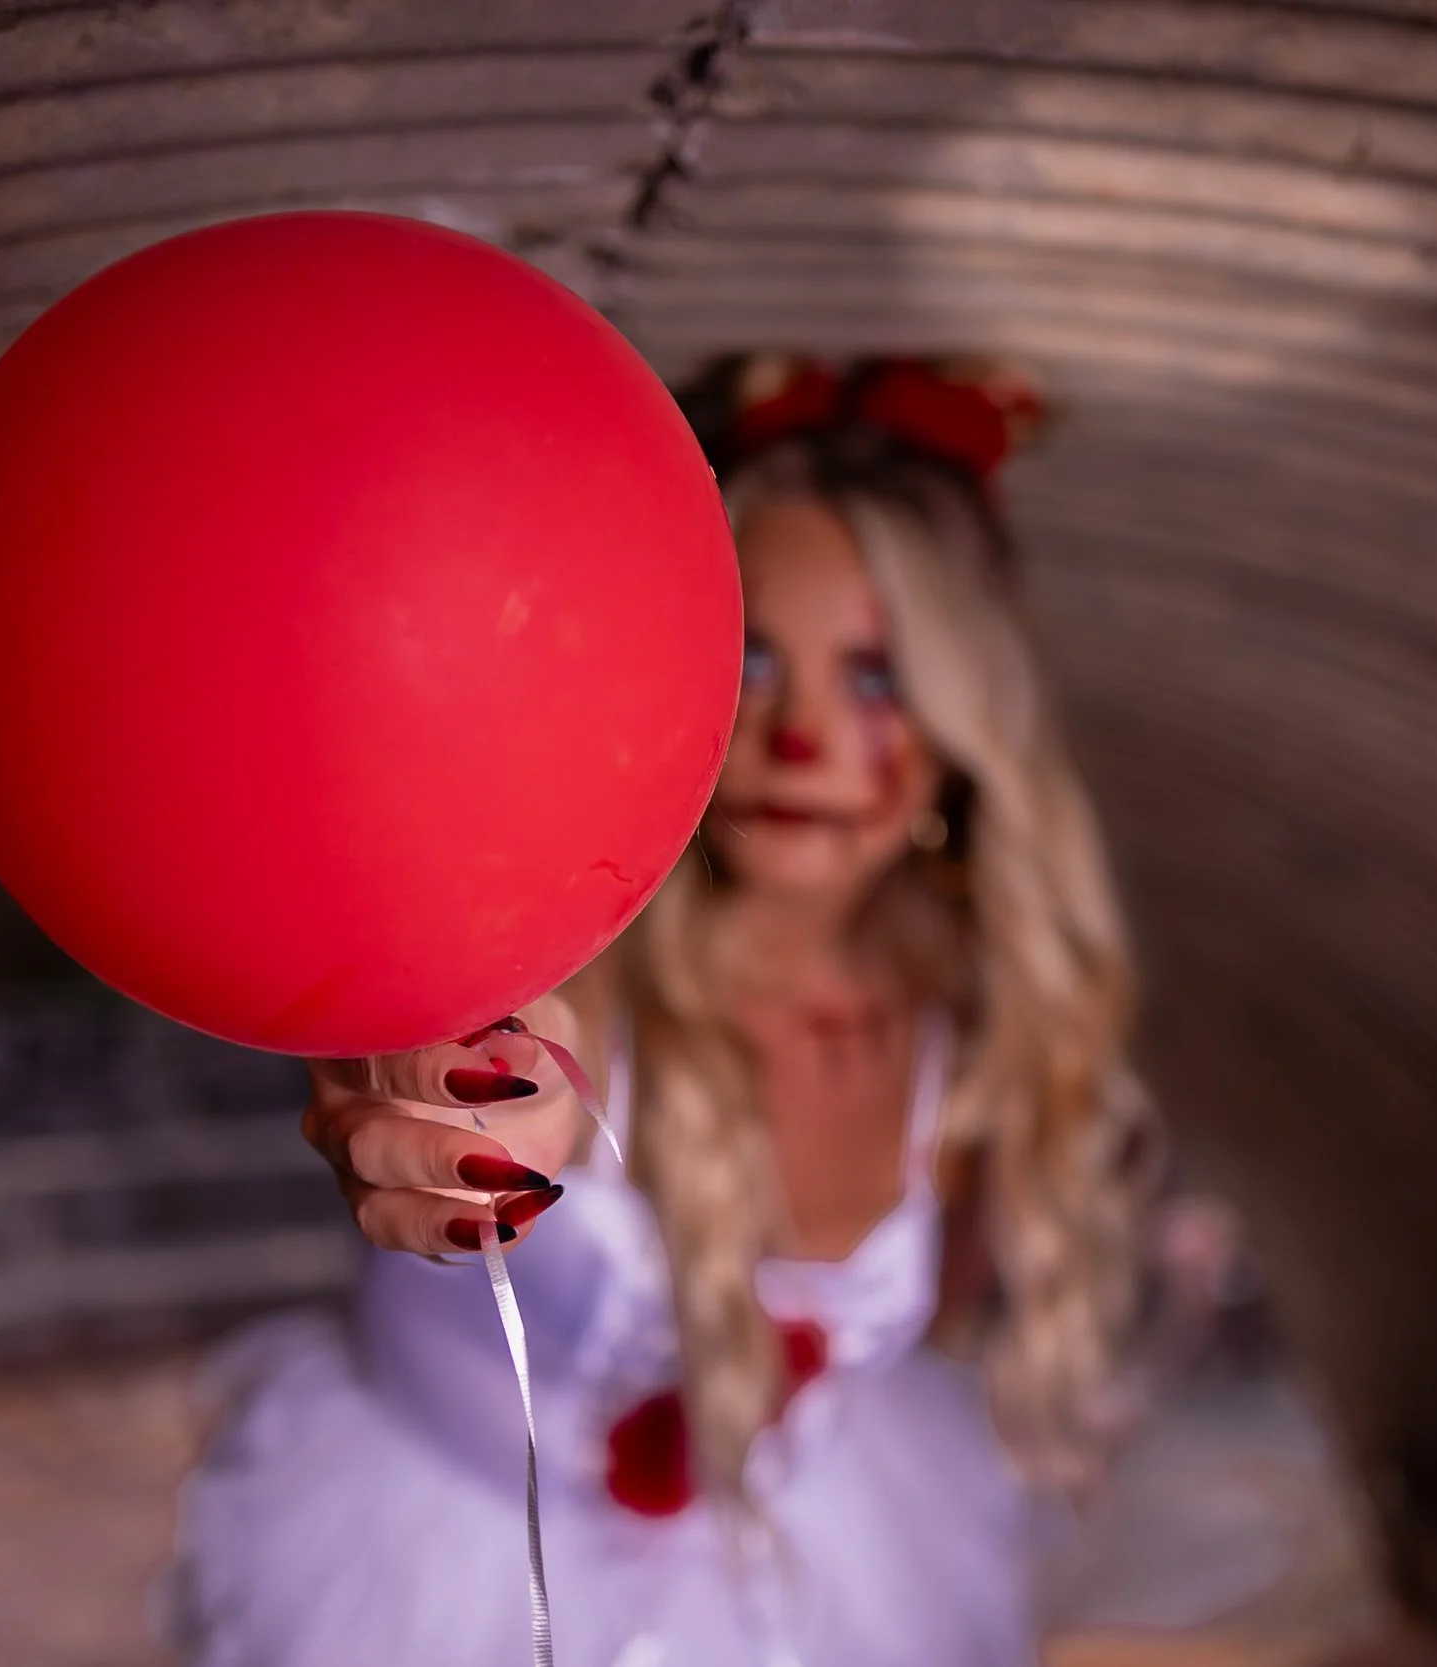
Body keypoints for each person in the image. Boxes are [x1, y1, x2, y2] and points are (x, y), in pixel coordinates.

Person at [163, 354, 1233, 1667]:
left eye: (881, 679)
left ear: (966, 723)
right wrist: (420, 1078)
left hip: (824, 1589)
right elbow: (438, 1053)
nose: (800, 738)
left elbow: (920, 1325)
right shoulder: (555, 951)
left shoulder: (970, 1034)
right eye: (757, 660)